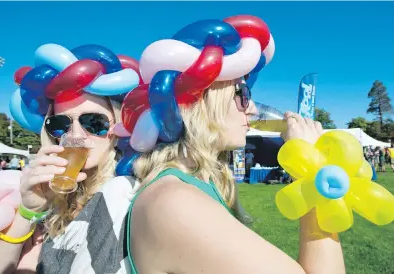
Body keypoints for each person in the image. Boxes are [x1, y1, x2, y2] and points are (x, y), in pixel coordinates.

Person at [115, 16, 345, 273]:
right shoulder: (175, 202)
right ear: (202, 102)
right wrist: (313, 172)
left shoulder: (193, 186)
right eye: (243, 94)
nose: (253, 108)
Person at [0, 43, 141, 274]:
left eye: (94, 123)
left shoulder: (132, 196)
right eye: (60, 124)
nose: (75, 135)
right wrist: (28, 211)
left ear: (117, 128)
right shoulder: (51, 200)